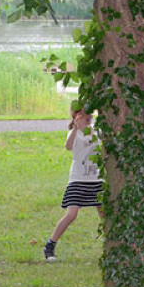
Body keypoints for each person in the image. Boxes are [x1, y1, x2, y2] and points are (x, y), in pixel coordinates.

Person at [43, 109, 103, 261]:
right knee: (71, 214)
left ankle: (114, 246)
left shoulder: (97, 131)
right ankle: (50, 245)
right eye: (84, 115)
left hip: (96, 179)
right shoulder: (73, 133)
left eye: (90, 115)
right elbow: (68, 146)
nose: (88, 118)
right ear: (76, 117)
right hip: (78, 179)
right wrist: (76, 128)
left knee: (104, 214)